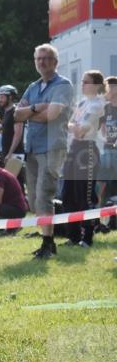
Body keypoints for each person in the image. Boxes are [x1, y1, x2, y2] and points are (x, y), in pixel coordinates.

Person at [13, 43, 75, 259]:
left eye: (47, 58)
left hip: (52, 147)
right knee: (33, 200)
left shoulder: (63, 85)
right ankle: (47, 241)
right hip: (32, 148)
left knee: (44, 196)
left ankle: (48, 243)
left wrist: (29, 111)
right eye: (38, 58)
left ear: (55, 62)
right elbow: (16, 115)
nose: (42, 62)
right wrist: (36, 108)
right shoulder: (33, 86)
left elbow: (52, 115)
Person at [61, 71, 107, 246]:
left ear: (96, 85)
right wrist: (73, 126)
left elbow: (81, 130)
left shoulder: (97, 105)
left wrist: (72, 125)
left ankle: (87, 237)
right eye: (82, 81)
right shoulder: (81, 103)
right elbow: (69, 125)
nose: (82, 84)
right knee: (67, 195)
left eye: (86, 82)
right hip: (73, 149)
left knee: (84, 196)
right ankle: (73, 236)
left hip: (87, 150)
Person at [0, 84, 25, 189]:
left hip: (15, 154)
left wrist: (10, 153)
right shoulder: (6, 112)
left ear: (10, 97)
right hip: (7, 153)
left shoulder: (16, 112)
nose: (0, 100)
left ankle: (21, 205)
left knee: (14, 184)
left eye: (2, 97)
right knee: (11, 184)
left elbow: (18, 134)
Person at [98, 77, 117, 229]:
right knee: (102, 184)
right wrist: (105, 138)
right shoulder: (105, 108)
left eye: (111, 88)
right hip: (107, 150)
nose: (108, 91)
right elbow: (102, 128)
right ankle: (98, 220)